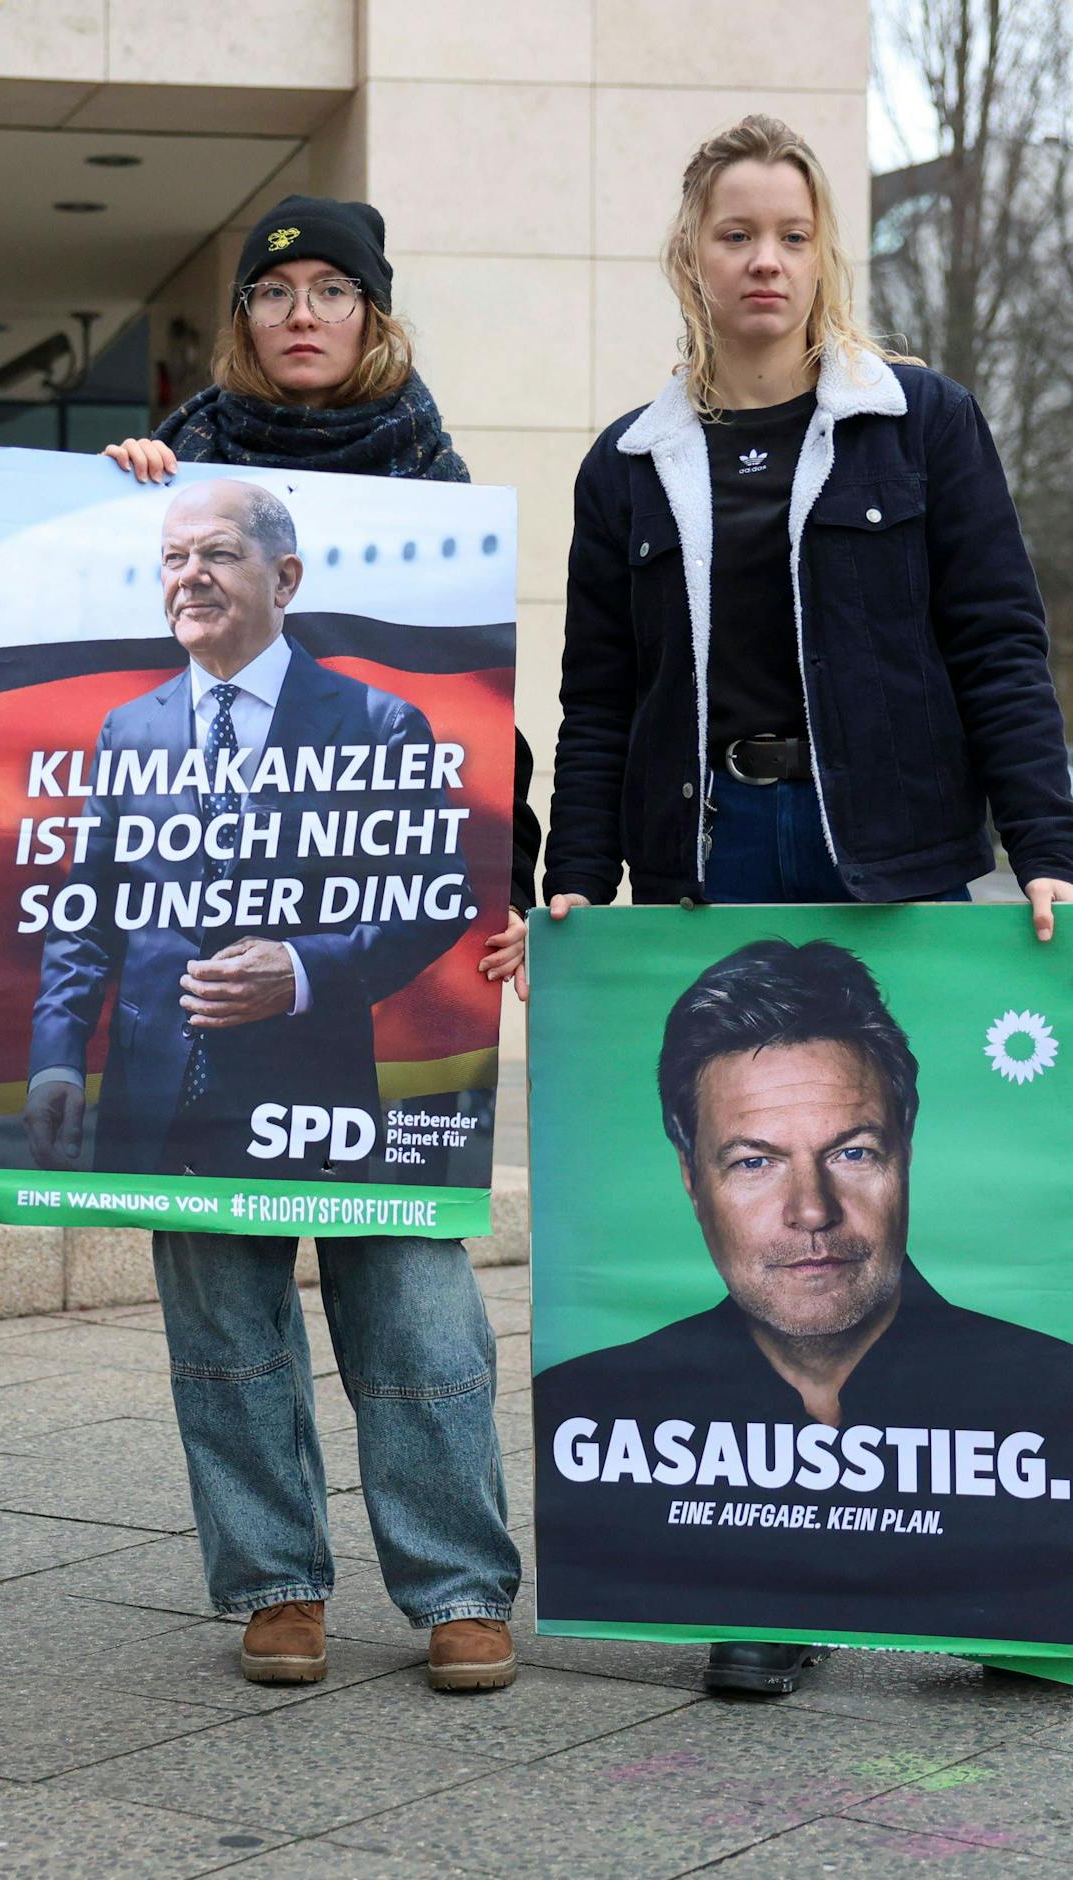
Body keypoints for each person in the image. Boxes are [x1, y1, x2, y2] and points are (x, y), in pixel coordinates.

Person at [544, 114, 1073, 1692]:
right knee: (762, 1257)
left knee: (908, 1227)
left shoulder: (923, 426)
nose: (762, 260)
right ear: (689, 256)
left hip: (892, 857)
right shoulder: (631, 464)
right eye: (733, 235)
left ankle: (988, 1581)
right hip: (708, 853)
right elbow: (597, 696)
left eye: (789, 233)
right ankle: (764, 1594)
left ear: (823, 250)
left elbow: (996, 639)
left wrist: (1046, 838)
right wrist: (575, 871)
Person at [100, 194, 530, 1695]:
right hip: (171, 1071)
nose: (299, 314)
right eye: (273, 290)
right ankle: (273, 1578)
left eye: (330, 291)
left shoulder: (435, 504)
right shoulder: (158, 492)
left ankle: (460, 1584)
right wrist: (111, 497)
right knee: (216, 1311)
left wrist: (501, 892)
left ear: (371, 317)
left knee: (411, 1301)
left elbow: (459, 810)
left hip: (327, 1049)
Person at [535, 939, 1073, 1652]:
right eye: (755, 1162)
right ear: (693, 1181)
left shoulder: (1053, 1393)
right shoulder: (589, 1412)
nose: (812, 1211)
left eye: (852, 1152)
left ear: (905, 1152)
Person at [24, 478, 464, 1179]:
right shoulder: (129, 729)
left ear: (284, 578)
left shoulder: (379, 725)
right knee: (208, 1294)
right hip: (154, 1101)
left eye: (217, 555)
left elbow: (436, 899)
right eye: (173, 559)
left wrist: (298, 971)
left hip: (309, 1093)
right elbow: (85, 916)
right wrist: (57, 1060)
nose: (189, 578)